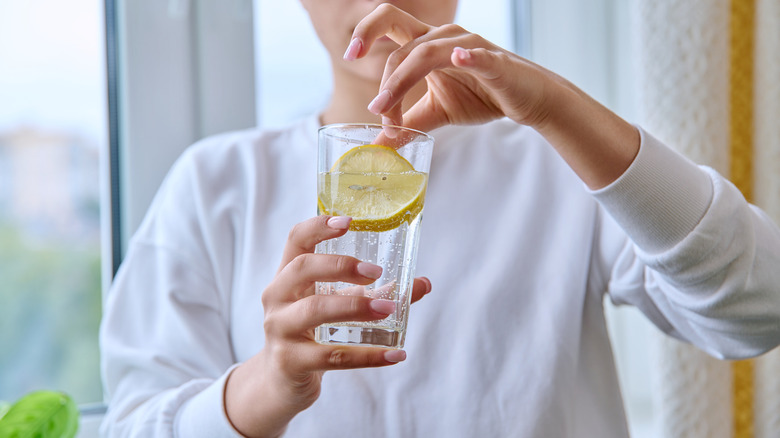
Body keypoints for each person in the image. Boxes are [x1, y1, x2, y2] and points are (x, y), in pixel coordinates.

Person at [99, 1, 780, 437]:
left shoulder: (557, 159)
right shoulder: (216, 184)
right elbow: (133, 427)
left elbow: (759, 309)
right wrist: (265, 385)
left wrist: (556, 109)